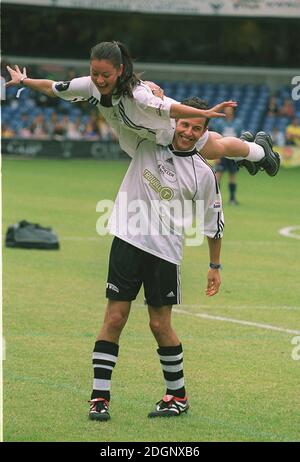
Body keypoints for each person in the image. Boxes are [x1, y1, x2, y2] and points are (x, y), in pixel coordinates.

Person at [90, 96, 224, 420]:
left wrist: (214, 267)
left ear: (204, 132)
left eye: (197, 128)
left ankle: (177, 396)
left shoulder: (203, 174)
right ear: (176, 121)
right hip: (128, 240)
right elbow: (122, 107)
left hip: (165, 253)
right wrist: (150, 92)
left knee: (159, 324)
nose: (189, 132)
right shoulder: (146, 142)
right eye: (185, 124)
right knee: (114, 318)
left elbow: (213, 224)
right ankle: (99, 398)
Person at [6, 41, 280, 176]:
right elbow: (53, 88)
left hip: (169, 126)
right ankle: (248, 149)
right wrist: (24, 81)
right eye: (95, 73)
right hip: (146, 135)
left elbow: (170, 110)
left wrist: (204, 114)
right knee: (216, 146)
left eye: (106, 75)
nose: (99, 80)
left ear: (120, 70)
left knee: (213, 149)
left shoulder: (138, 93)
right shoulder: (88, 84)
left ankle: (259, 151)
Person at [213, 106, 243, 205]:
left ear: (233, 111)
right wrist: (216, 155)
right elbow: (215, 138)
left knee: (232, 175)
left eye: (229, 109)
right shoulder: (219, 123)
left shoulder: (238, 123)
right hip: (221, 152)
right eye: (226, 109)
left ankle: (232, 198)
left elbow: (240, 138)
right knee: (218, 175)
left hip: (233, 153)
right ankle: (215, 199)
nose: (227, 111)